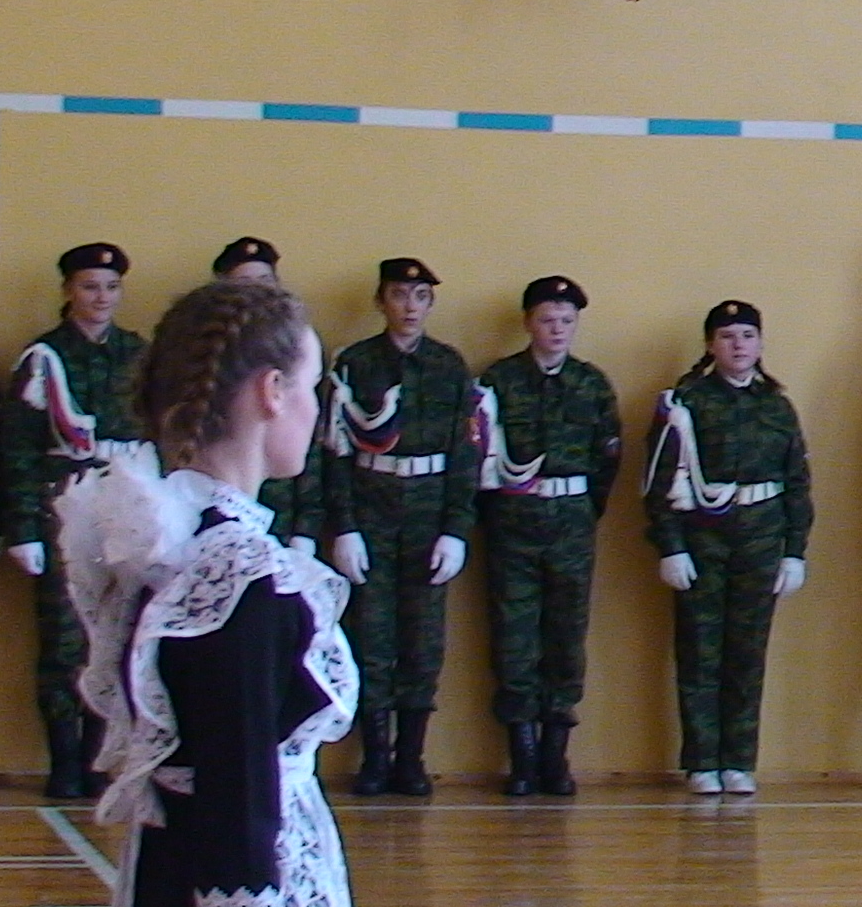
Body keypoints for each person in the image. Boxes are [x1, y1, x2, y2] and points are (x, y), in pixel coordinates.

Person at [63, 279, 370, 907]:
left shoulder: (175, 545)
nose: (314, 410)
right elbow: (237, 805)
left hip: (171, 906)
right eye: (310, 386)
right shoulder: (235, 576)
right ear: (271, 391)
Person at [323, 258, 479, 798]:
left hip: (429, 513)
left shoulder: (449, 366)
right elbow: (335, 454)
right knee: (370, 635)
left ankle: (411, 757)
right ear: (380, 301)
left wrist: (456, 529)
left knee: (423, 638)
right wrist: (344, 527)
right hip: (372, 507)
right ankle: (374, 756)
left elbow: (465, 454)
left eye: (420, 296)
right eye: (399, 295)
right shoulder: (356, 363)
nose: (410, 307)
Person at [2, 242, 149, 800]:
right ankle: (65, 759)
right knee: (66, 640)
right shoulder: (45, 357)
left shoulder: (138, 353)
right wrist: (22, 527)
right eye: (90, 287)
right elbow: (18, 447)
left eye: (111, 287)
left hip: (125, 506)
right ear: (67, 291)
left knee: (117, 635)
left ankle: (98, 751)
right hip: (64, 508)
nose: (101, 298)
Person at [646, 301, 811, 794]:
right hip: (704, 539)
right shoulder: (686, 403)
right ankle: (701, 761)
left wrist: (794, 551)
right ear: (710, 345)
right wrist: (670, 547)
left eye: (747, 335)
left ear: (760, 344)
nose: (738, 345)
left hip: (761, 538)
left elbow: (798, 484)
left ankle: (738, 761)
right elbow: (659, 481)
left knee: (747, 652)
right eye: (727, 336)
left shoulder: (777, 406)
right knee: (699, 650)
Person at [473, 276, 622, 798]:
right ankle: (522, 756)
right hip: (513, 519)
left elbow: (607, 460)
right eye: (547, 320)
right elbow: (478, 453)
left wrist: (582, 509)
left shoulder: (591, 384)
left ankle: (556, 754)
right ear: (527, 323)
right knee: (513, 635)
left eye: (566, 321)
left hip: (571, 520)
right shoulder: (498, 381)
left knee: (565, 635)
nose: (557, 330)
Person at [211, 238, 321, 552]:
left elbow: (311, 444)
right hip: (224, 503)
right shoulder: (207, 356)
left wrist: (306, 528)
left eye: (265, 281)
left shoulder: (296, 347)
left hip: (283, 507)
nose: (258, 292)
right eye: (245, 283)